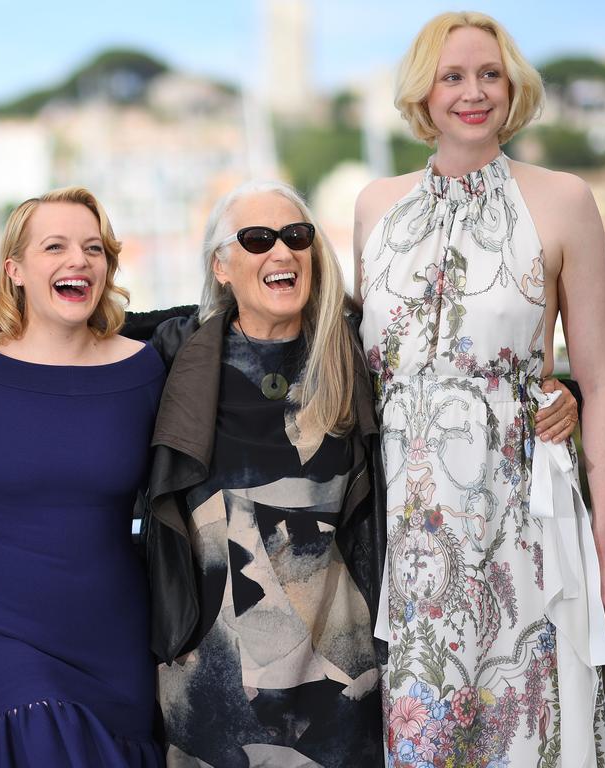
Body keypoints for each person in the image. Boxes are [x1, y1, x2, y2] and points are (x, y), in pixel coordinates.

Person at [353, 12, 605, 767]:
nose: (473, 93)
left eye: (489, 75)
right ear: (423, 94)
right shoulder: (375, 207)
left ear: (514, 88)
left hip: (526, 533)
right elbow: (365, 365)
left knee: (531, 733)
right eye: (453, 76)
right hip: (410, 545)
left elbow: (599, 384)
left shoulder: (564, 199)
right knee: (425, 740)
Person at [145, 181, 385, 766]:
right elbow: (71, 343)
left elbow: (458, 378)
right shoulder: (174, 357)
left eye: (295, 236)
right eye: (257, 239)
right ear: (220, 267)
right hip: (209, 684)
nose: (281, 252)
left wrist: (566, 393)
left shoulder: (356, 353)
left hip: (341, 680)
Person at [0, 187, 165, 766]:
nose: (78, 260)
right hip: (5, 632)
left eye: (94, 248)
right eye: (55, 246)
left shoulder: (144, 370)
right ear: (14, 270)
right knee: (39, 737)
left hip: (118, 636)